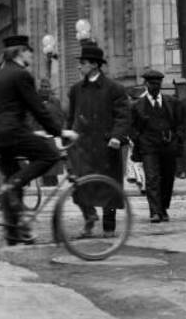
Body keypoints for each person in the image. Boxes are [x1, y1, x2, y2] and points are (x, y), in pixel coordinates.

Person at [0, 34, 76, 244]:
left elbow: (9, 109)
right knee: (50, 155)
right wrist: (60, 132)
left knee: (11, 180)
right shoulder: (21, 75)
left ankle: (14, 234)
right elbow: (36, 108)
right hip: (11, 133)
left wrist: (31, 132)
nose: (31, 57)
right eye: (29, 52)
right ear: (19, 52)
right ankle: (13, 184)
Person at [65, 45, 130, 237]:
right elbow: (71, 117)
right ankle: (89, 221)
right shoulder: (76, 90)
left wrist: (117, 136)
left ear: (95, 65)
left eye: (83, 63)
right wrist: (67, 136)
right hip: (83, 147)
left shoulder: (114, 89)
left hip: (106, 145)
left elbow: (123, 116)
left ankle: (109, 227)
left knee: (108, 186)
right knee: (82, 185)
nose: (79, 67)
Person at [129, 67, 182, 223]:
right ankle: (155, 212)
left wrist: (176, 138)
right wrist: (139, 139)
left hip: (168, 146)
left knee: (167, 179)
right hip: (148, 147)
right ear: (146, 84)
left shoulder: (172, 102)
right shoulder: (138, 106)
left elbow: (179, 124)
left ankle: (163, 208)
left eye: (158, 83)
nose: (155, 86)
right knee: (152, 179)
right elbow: (132, 127)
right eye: (152, 83)